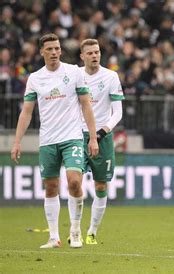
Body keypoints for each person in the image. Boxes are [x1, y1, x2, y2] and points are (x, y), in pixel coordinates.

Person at [10, 33, 99, 249]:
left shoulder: (74, 72)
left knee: (75, 182)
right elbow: (27, 112)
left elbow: (86, 105)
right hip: (48, 140)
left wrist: (93, 137)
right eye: (49, 49)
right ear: (41, 51)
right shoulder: (35, 78)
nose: (54, 52)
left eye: (57, 48)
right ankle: (54, 237)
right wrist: (17, 141)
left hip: (72, 137)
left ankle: (75, 231)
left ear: (61, 50)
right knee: (50, 187)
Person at [79, 38, 124, 245]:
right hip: (77, 135)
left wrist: (101, 132)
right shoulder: (75, 76)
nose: (95, 56)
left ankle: (92, 232)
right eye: (90, 53)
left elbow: (118, 112)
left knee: (100, 185)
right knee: (74, 182)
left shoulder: (111, 76)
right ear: (82, 56)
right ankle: (74, 230)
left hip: (103, 136)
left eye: (97, 52)